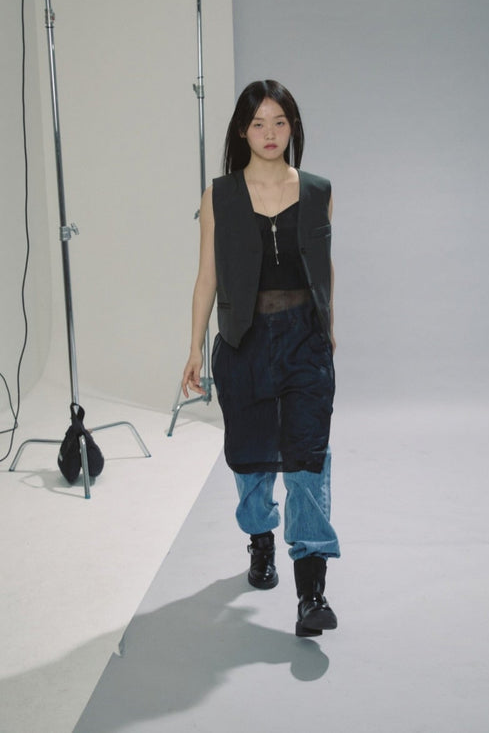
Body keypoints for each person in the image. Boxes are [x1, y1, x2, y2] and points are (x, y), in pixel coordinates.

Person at [181, 79, 340, 637]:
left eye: (279, 121)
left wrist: (329, 330)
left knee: (307, 460)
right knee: (250, 460)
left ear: (292, 127)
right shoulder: (219, 196)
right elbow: (207, 275)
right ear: (242, 132)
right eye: (257, 123)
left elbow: (325, 267)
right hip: (243, 341)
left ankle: (311, 592)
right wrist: (194, 348)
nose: (269, 133)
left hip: (304, 341)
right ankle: (260, 538)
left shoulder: (317, 190)